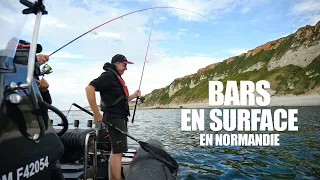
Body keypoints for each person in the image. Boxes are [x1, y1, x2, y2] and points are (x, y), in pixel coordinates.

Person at [85, 54, 141, 180]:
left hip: (118, 117)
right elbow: (89, 88)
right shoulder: (109, 76)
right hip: (114, 117)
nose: (126, 68)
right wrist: (96, 112)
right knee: (118, 152)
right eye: (124, 65)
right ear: (117, 63)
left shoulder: (116, 78)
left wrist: (133, 95)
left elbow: (122, 100)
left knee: (115, 150)